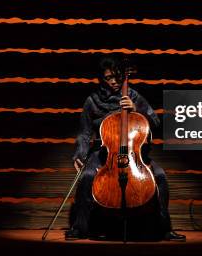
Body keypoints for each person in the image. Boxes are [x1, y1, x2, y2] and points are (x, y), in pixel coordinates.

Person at [65, 56, 186, 241]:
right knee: (87, 176)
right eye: (109, 78)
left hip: (133, 152)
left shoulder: (133, 95)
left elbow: (155, 121)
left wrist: (137, 109)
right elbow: (84, 132)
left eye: (117, 77)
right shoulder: (92, 101)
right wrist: (79, 154)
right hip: (105, 153)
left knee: (160, 176)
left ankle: (165, 228)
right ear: (101, 79)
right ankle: (79, 227)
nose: (114, 81)